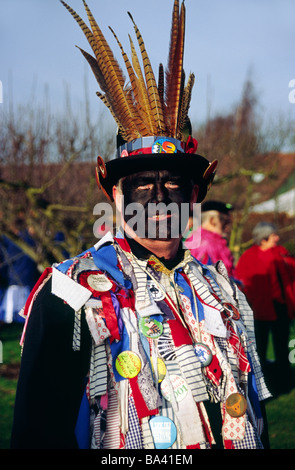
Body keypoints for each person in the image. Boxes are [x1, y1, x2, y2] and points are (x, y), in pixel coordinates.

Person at [11, 0, 270, 449]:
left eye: (174, 184)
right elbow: (37, 432)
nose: (161, 199)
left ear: (194, 196)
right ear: (115, 195)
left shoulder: (224, 293)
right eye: (143, 186)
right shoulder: (69, 294)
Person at [236, 222, 295, 395]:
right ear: (263, 238)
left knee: (282, 347)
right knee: (258, 350)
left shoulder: (281, 252)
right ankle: (262, 384)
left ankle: (284, 382)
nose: (277, 237)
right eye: (273, 235)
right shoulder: (249, 256)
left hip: (281, 308)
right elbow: (242, 284)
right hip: (259, 310)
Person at [185, 200, 236, 278]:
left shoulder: (216, 242)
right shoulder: (205, 244)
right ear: (212, 220)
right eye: (224, 221)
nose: (228, 226)